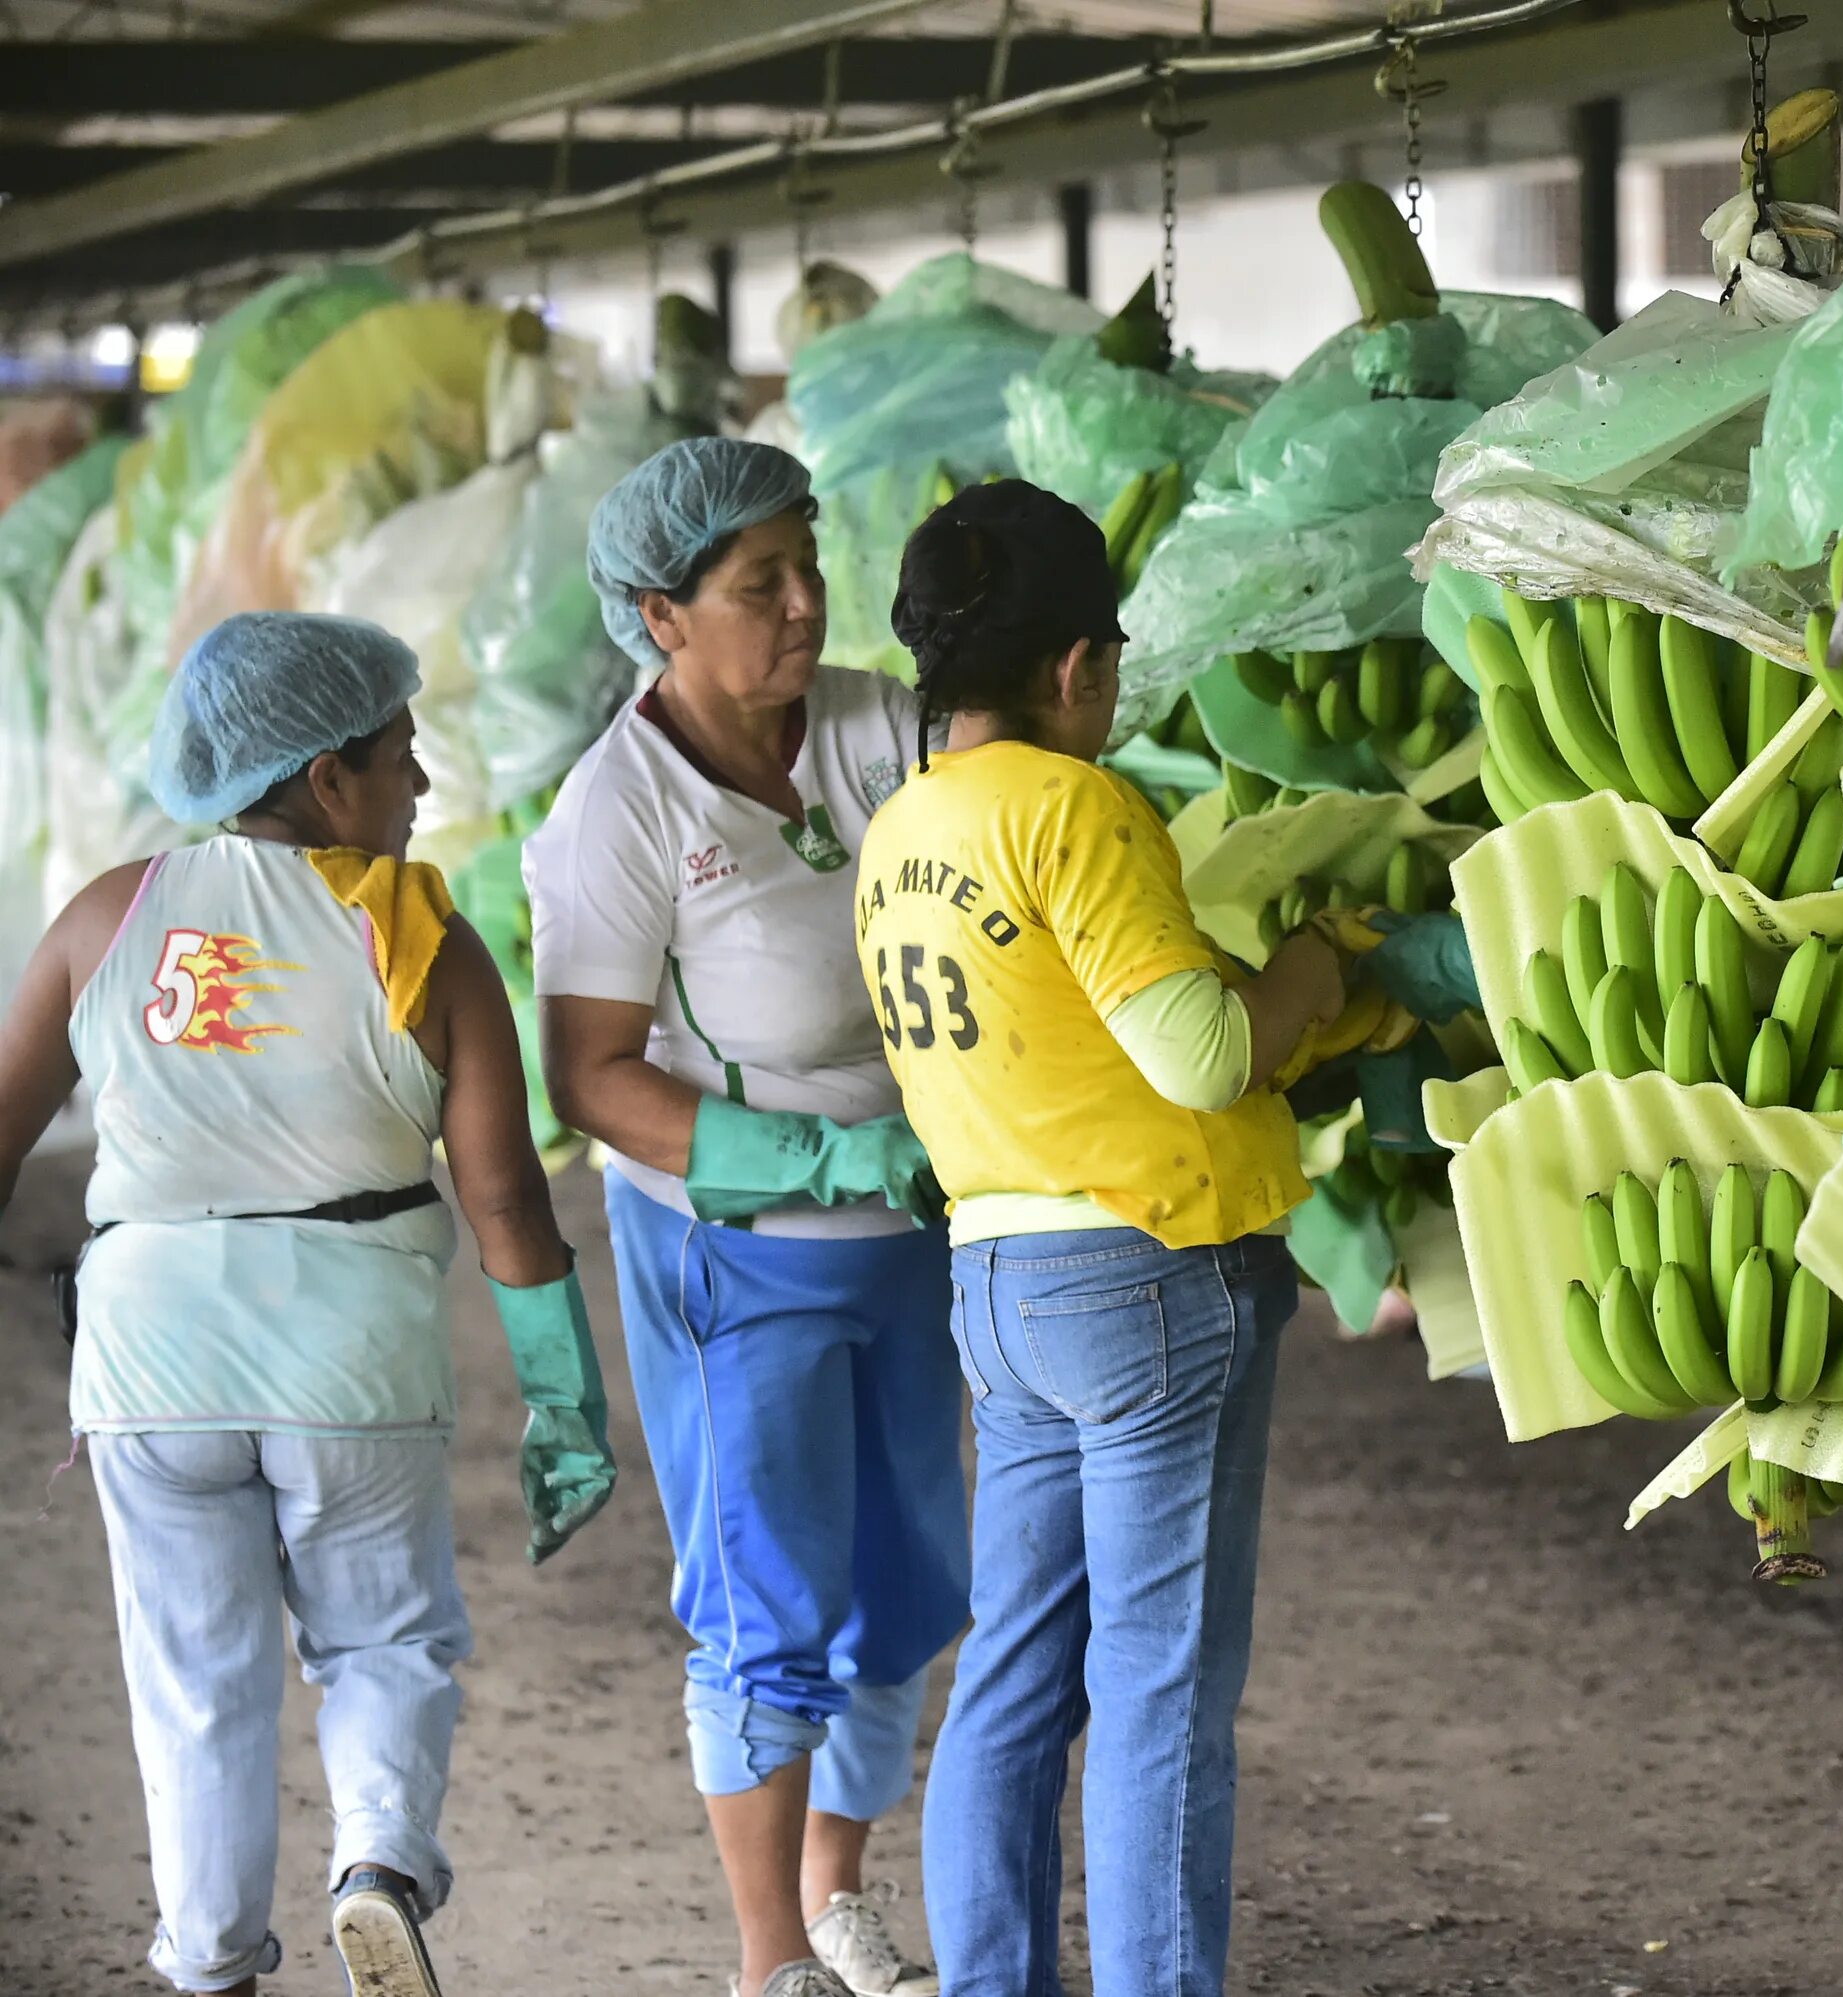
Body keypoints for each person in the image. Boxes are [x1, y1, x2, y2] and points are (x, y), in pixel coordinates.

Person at [0, 611, 616, 1997]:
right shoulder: (421, 940)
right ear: (326, 776)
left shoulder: (110, 915)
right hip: (352, 1354)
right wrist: (564, 1400)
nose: (422, 786)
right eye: (402, 755)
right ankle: (381, 1865)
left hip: (151, 1356)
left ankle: (211, 1956)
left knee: (196, 1680)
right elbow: (510, 1202)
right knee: (383, 1636)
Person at [858, 479, 1353, 1997]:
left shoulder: (897, 828)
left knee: (1012, 1673)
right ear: (1075, 668)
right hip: (1143, 1276)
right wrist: (1318, 976)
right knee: (1157, 1690)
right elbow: (1201, 1052)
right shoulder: (1077, 808)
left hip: (998, 1280)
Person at [525, 437, 966, 1997]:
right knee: (767, 1597)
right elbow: (589, 1075)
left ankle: (839, 1891)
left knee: (909, 1580)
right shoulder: (619, 811)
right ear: (660, 614)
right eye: (755, 582)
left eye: (807, 563)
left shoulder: (871, 722)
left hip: (913, 1233)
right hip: (741, 1249)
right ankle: (767, 1956)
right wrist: (818, 1160)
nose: (802, 603)